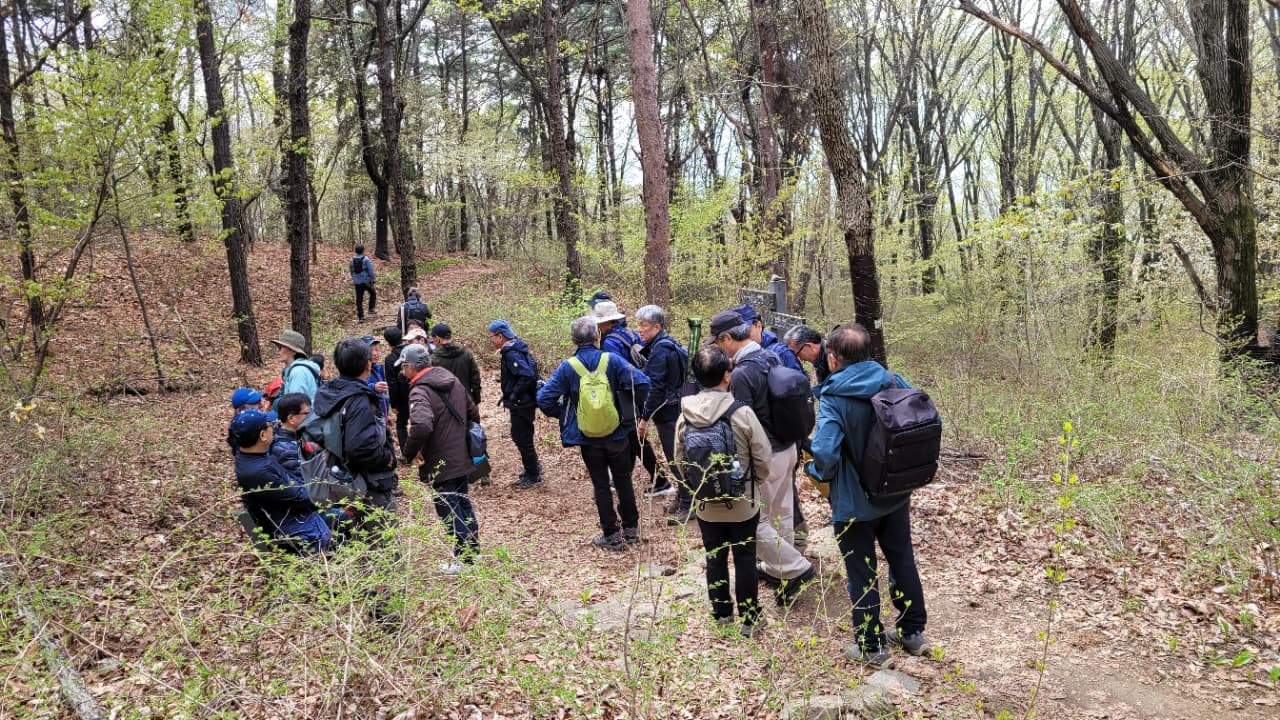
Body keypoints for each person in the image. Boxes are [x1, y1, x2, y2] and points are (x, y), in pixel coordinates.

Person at [809, 323, 931, 667]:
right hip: (895, 492)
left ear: (833, 359)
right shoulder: (893, 380)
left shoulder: (833, 397)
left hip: (853, 503)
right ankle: (912, 632)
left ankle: (872, 646)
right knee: (901, 559)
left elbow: (825, 452)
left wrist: (816, 474)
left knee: (861, 571)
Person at [709, 309, 815, 607]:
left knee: (754, 520)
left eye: (718, 342)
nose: (717, 349)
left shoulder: (742, 373)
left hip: (766, 455)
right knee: (781, 515)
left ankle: (796, 569)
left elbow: (742, 423)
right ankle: (777, 571)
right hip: (788, 448)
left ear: (728, 338)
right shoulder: (772, 356)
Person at [675, 345, 772, 636]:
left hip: (706, 504)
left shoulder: (685, 414)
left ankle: (721, 615)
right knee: (745, 557)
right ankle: (751, 620)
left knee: (714, 556)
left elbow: (680, 459)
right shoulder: (741, 413)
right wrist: (753, 483)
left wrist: (697, 486)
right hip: (742, 501)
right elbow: (762, 457)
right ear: (727, 375)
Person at [537, 317, 650, 550]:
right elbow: (642, 382)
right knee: (623, 480)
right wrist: (627, 406)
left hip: (588, 437)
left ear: (572, 340)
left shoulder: (568, 367)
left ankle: (611, 536)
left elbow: (544, 399)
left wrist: (568, 415)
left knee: (600, 485)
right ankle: (630, 529)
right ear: (597, 336)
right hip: (618, 433)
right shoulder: (612, 360)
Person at [398, 343, 482, 573]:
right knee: (462, 501)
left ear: (411, 367)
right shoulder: (450, 379)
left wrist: (409, 453)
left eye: (404, 367)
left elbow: (422, 425)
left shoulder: (419, 391)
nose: (403, 372)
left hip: (440, 460)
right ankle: (473, 554)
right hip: (462, 454)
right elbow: (473, 411)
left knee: (448, 508)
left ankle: (464, 560)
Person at [311, 338, 399, 517]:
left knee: (353, 537)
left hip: (338, 476)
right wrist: (386, 458)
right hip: (368, 482)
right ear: (368, 365)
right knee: (382, 537)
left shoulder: (328, 392)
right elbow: (359, 446)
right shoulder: (359, 400)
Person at [231, 409, 334, 554]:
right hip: (294, 527)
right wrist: (328, 491)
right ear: (262, 436)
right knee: (344, 514)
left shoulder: (250, 456)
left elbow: (292, 484)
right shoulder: (259, 472)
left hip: (286, 515)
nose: (274, 427)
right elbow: (302, 497)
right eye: (270, 425)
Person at [632, 305, 686, 502]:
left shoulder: (661, 349)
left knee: (676, 458)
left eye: (643, 325)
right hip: (673, 408)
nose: (640, 329)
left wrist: (645, 419)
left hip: (668, 411)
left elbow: (654, 387)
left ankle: (687, 501)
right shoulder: (666, 343)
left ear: (656, 327)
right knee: (677, 456)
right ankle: (684, 496)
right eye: (638, 324)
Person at [488, 319, 543, 488]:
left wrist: (513, 395)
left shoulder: (511, 353)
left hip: (522, 403)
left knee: (522, 438)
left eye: (492, 336)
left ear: (500, 336)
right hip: (525, 401)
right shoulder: (515, 348)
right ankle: (532, 468)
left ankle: (533, 474)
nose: (491, 340)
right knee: (521, 436)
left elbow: (527, 375)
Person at [734, 304, 804, 372]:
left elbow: (799, 382)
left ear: (758, 326)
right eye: (737, 332)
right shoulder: (733, 355)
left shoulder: (782, 353)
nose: (742, 336)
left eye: (746, 330)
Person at [430, 324, 482, 405]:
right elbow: (475, 378)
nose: (432, 341)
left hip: (444, 403)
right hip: (466, 399)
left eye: (433, 338)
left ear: (437, 338)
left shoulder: (433, 359)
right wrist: (476, 399)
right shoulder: (466, 353)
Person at [269, 330, 321, 406]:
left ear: (293, 351)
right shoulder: (295, 370)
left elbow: (295, 406)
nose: (278, 351)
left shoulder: (298, 372)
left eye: (281, 347)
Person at [383, 325, 411, 456]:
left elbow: (392, 384)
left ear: (388, 342)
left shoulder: (390, 359)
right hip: (419, 392)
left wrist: (393, 404)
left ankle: (406, 454)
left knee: (401, 425)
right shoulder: (411, 351)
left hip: (402, 398)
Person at [363, 336, 390, 418]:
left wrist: (386, 414)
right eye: (371, 350)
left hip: (382, 415)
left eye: (377, 350)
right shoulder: (361, 371)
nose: (375, 353)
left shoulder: (378, 368)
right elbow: (358, 387)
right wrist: (373, 387)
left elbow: (383, 394)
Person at [350, 245, 376, 321]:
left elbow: (351, 270)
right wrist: (372, 279)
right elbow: (370, 270)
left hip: (357, 282)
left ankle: (361, 317)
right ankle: (371, 309)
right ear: (363, 250)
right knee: (373, 293)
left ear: (355, 251)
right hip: (366, 281)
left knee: (359, 299)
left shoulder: (352, 260)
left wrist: (354, 277)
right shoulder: (366, 259)